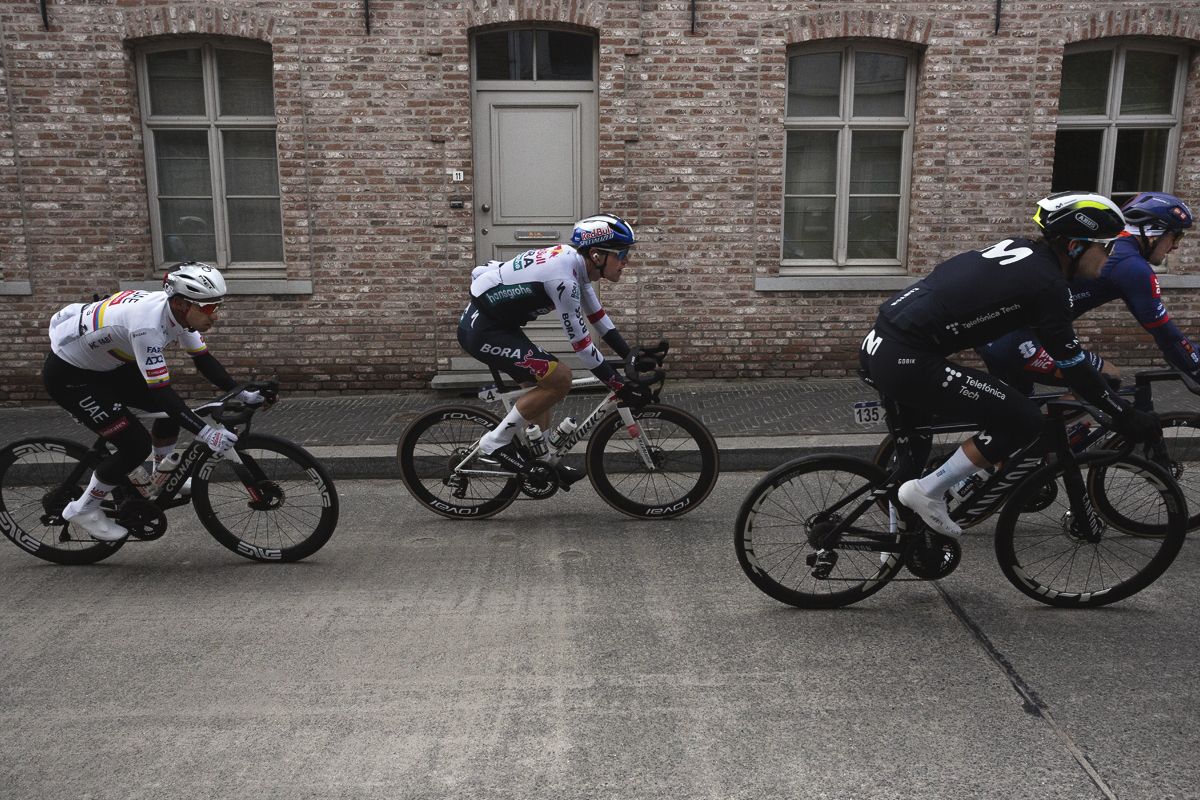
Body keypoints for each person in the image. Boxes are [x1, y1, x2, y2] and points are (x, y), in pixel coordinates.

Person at [859, 191, 1162, 536]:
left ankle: (895, 544)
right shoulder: (1050, 285)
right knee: (1023, 420)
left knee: (909, 468)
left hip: (879, 343)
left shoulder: (1022, 251)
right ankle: (928, 490)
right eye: (1105, 247)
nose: (1109, 257)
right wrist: (1124, 415)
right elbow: (1074, 367)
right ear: (1076, 247)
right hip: (906, 357)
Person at [43, 262, 264, 541]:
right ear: (183, 304)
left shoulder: (176, 313)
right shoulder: (147, 328)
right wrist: (208, 434)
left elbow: (203, 360)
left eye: (217, 306)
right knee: (134, 444)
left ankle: (161, 477)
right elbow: (162, 392)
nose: (215, 316)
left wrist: (242, 392)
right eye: (209, 308)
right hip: (71, 376)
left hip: (107, 363)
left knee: (168, 412)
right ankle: (83, 508)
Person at [457, 214, 651, 483]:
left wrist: (629, 354)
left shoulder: (576, 264)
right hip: (482, 331)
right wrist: (620, 386)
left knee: (543, 382)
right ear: (596, 255)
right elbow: (583, 347)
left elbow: (596, 315)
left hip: (498, 325)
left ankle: (543, 460)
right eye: (622, 252)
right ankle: (495, 442)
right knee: (560, 378)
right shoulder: (564, 278)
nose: (627, 260)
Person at [978, 191, 1197, 394]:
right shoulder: (1132, 266)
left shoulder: (1109, 245)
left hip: (991, 334)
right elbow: (1167, 337)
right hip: (1021, 341)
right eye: (1176, 237)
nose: (1176, 247)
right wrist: (1195, 367)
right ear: (1153, 234)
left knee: (1014, 426)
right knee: (1110, 377)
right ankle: (1049, 434)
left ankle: (1036, 432)